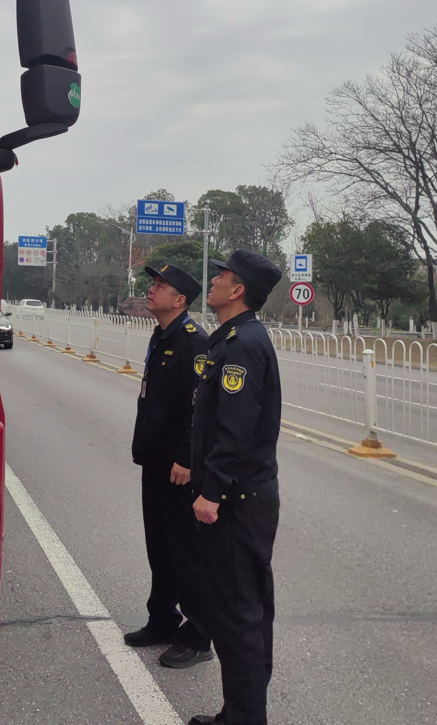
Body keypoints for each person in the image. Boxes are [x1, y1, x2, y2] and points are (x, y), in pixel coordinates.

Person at [187, 249, 283, 725]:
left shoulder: (242, 344)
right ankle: (241, 713)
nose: (214, 280)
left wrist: (213, 491)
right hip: (245, 497)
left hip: (237, 501)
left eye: (222, 275)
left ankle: (244, 718)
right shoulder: (234, 338)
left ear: (238, 289)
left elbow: (235, 429)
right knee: (244, 612)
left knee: (238, 615)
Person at [124, 263, 214, 669]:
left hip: (178, 466)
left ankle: (198, 636)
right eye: (153, 283)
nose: (151, 289)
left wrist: (186, 457)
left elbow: (199, 407)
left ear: (179, 300)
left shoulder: (194, 341)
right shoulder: (162, 335)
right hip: (156, 460)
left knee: (184, 551)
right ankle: (161, 620)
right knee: (159, 547)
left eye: (161, 286)